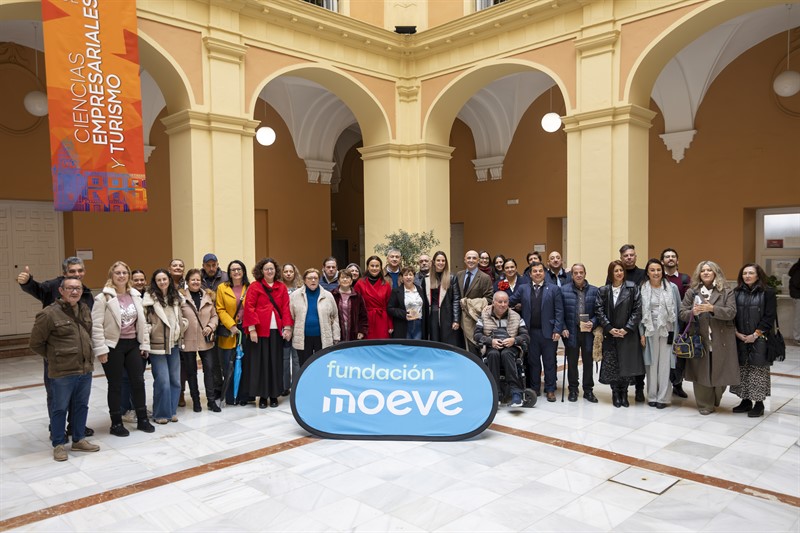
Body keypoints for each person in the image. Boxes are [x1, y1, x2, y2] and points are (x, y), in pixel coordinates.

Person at [17, 257, 95, 440]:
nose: (77, 274)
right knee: (56, 395)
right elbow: (37, 289)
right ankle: (56, 430)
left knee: (78, 396)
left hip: (80, 357)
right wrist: (27, 282)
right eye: (72, 271)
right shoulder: (52, 286)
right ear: (64, 273)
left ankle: (76, 427)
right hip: (58, 357)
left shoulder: (86, 292)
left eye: (80, 271)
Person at [30, 276, 100, 461]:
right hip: (62, 371)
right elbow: (35, 343)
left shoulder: (84, 309)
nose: (74, 291)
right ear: (61, 291)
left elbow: (88, 334)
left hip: (85, 368)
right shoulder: (48, 314)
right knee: (59, 408)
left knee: (81, 406)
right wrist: (54, 356)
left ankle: (79, 439)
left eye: (78, 288)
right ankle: (59, 444)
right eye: (70, 288)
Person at [91, 261, 154, 436]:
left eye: (124, 273)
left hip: (133, 344)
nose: (121, 276)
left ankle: (142, 419)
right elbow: (96, 326)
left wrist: (144, 344)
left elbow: (142, 323)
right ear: (111, 275)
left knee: (138, 382)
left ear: (128, 276)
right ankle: (116, 423)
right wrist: (101, 349)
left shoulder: (135, 296)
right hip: (113, 346)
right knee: (115, 385)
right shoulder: (103, 298)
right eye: (117, 273)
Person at [679, 260, 738, 415]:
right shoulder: (692, 292)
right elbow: (682, 313)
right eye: (703, 270)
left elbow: (731, 312)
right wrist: (693, 312)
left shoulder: (726, 291)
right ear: (699, 274)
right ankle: (705, 404)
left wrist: (712, 308)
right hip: (699, 337)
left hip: (722, 338)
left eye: (709, 270)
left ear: (715, 273)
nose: (705, 272)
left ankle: (715, 397)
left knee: (722, 370)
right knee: (701, 371)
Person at [509, 262, 564, 401]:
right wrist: (494, 305)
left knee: (549, 362)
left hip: (549, 332)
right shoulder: (523, 288)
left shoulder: (554, 289)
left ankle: (550, 389)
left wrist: (557, 329)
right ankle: (534, 388)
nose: (538, 273)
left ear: (544, 273)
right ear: (530, 274)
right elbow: (510, 301)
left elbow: (559, 311)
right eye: (535, 271)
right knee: (533, 362)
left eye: (540, 271)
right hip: (530, 333)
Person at [243, 258, 293, 408]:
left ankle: (274, 395)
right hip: (260, 331)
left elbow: (286, 308)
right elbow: (249, 307)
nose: (269, 271)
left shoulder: (281, 287)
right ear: (261, 271)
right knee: (261, 364)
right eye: (266, 269)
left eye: (272, 269)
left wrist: (287, 328)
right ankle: (263, 396)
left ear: (275, 271)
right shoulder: (255, 286)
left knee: (276, 363)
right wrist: (252, 329)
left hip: (276, 331)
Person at [595, 260, 643, 408]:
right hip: (610, 334)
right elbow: (599, 310)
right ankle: (616, 392)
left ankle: (624, 393)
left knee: (626, 364)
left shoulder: (632, 288)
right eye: (616, 271)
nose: (619, 273)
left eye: (621, 270)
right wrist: (609, 328)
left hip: (627, 334)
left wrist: (627, 328)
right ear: (611, 273)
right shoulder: (604, 290)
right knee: (613, 365)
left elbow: (637, 310)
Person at [731, 264, 777, 418]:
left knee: (758, 370)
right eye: (744, 273)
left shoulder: (768, 292)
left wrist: (755, 334)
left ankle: (759, 404)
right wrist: (737, 333)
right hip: (740, 337)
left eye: (751, 273)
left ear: (758, 275)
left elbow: (769, 316)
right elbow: (732, 314)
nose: (747, 276)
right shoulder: (736, 292)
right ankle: (745, 401)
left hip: (760, 338)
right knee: (742, 369)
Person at [142, 269, 187, 424]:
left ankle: (171, 411)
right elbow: (144, 322)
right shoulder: (148, 299)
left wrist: (181, 326)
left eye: (164, 279)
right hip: (157, 346)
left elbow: (183, 317)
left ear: (169, 280)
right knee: (163, 381)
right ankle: (160, 414)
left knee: (175, 381)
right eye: (159, 280)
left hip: (174, 343)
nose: (162, 282)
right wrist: (150, 332)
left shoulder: (176, 297)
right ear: (155, 282)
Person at [638, 259, 680, 409]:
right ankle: (652, 396)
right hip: (649, 329)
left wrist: (677, 334)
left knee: (665, 364)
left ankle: (663, 398)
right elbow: (638, 313)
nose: (656, 273)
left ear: (662, 271)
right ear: (647, 272)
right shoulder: (642, 288)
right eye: (652, 270)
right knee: (651, 363)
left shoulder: (672, 288)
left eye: (658, 270)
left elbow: (678, 310)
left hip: (668, 329)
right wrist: (641, 334)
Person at [474, 292, 529, 406]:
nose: (503, 305)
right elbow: (477, 335)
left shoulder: (516, 316)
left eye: (505, 302)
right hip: (491, 347)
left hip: (511, 347)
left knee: (506, 353)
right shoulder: (484, 315)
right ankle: (495, 393)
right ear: (493, 302)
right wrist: (490, 341)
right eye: (500, 302)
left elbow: (525, 336)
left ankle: (516, 393)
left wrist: (514, 340)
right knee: (493, 354)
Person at [180, 269, 220, 413]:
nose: (196, 282)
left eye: (198, 280)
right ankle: (196, 401)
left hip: (206, 340)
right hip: (188, 340)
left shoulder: (208, 297)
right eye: (193, 280)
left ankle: (211, 401)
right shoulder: (181, 298)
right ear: (187, 282)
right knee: (191, 372)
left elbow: (214, 316)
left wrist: (210, 326)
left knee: (209, 370)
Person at [560, 263, 599, 403]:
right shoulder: (563, 290)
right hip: (571, 331)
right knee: (572, 362)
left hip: (588, 331)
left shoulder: (595, 291)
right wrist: (563, 327)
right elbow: (559, 312)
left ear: (585, 273)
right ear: (572, 275)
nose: (578, 275)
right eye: (575, 273)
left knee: (588, 362)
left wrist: (593, 322)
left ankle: (588, 390)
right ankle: (573, 389)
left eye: (581, 272)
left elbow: (599, 312)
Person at [290, 268, 340, 366]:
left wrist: (336, 336)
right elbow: (291, 316)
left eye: (315, 278)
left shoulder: (328, 295)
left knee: (322, 365)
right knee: (305, 365)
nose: (313, 280)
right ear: (304, 280)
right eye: (310, 278)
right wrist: (289, 332)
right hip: (303, 337)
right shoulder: (295, 296)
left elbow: (335, 317)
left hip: (322, 337)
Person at [215, 260, 249, 405]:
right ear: (229, 272)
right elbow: (220, 309)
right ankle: (230, 397)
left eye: (239, 269)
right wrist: (231, 325)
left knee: (245, 364)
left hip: (247, 329)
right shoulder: (222, 288)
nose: (236, 272)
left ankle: (244, 396)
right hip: (230, 330)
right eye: (233, 270)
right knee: (229, 364)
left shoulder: (250, 287)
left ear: (243, 271)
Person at [661, 248, 691, 398]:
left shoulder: (685, 279)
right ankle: (663, 384)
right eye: (667, 257)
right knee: (663, 356)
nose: (670, 258)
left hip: (680, 323)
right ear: (662, 261)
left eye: (673, 256)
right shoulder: (658, 278)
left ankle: (678, 384)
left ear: (677, 260)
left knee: (679, 355)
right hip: (662, 324)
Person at [619, 244, 646, 402]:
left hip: (638, 321)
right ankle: (623, 390)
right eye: (626, 255)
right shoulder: (617, 273)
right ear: (621, 257)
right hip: (620, 323)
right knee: (623, 358)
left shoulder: (643, 274)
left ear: (635, 256)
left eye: (631, 255)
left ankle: (639, 388)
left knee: (638, 358)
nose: (629, 258)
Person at [422, 251, 462, 347]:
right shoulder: (426, 279)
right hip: (432, 315)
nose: (441, 263)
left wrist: (456, 319)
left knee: (447, 343)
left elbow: (456, 299)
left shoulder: (452, 278)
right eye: (438, 260)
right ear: (434, 262)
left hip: (447, 315)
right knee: (434, 343)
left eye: (443, 261)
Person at [457, 250, 494, 354]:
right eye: (468, 258)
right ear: (464, 260)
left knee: (473, 348)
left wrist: (469, 303)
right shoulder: (459, 275)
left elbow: (489, 298)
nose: (471, 260)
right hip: (459, 318)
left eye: (474, 258)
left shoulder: (485, 277)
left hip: (474, 319)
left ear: (478, 260)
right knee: (460, 348)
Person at [388, 266, 429, 339]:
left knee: (417, 345)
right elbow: (390, 309)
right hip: (404, 325)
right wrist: (405, 314)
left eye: (410, 275)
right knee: (406, 345)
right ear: (402, 278)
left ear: (414, 277)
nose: (408, 277)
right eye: (406, 275)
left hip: (419, 324)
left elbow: (425, 307)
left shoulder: (420, 290)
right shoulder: (396, 291)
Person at [281, 263, 303, 395]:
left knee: (296, 358)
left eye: (291, 271)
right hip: (283, 326)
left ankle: (295, 385)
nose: (288, 274)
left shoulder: (301, 288)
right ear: (282, 273)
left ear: (295, 273)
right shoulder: (278, 287)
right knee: (284, 358)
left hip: (297, 326)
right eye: (286, 271)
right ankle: (285, 386)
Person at [361, 256, 393, 339]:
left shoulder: (386, 284)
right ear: (368, 267)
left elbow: (389, 306)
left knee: (382, 344)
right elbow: (357, 307)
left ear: (380, 267)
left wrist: (390, 324)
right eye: (372, 266)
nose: (374, 268)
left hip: (382, 319)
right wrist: (359, 327)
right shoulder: (360, 283)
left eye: (377, 266)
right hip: (366, 320)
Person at [332, 269, 369, 342]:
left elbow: (363, 315)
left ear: (351, 281)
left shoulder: (357, 296)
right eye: (342, 277)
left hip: (354, 332)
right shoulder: (332, 295)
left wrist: (362, 330)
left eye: (347, 277)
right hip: (337, 332)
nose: (345, 279)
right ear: (338, 281)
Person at [790, 259, 800, 344]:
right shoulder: (798, 269)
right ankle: (797, 338)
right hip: (798, 296)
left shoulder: (796, 268)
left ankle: (797, 337)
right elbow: (797, 283)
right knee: (798, 318)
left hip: (797, 296)